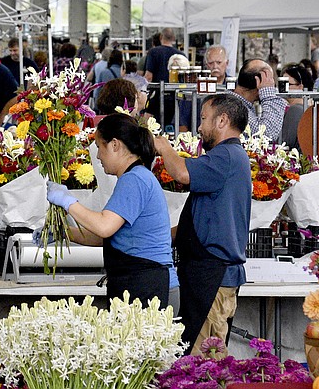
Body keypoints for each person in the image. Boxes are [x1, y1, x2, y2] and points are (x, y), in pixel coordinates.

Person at [154, 93, 251, 356]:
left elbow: (182, 173)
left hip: (214, 275)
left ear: (222, 120)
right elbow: (200, 220)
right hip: (204, 273)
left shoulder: (226, 156)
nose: (199, 127)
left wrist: (163, 147)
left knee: (204, 363)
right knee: (194, 357)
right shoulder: (225, 158)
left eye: (203, 119)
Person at [46, 113, 173, 305]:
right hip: (142, 283)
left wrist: (68, 202)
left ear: (115, 145)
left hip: (150, 286)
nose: (97, 156)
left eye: (99, 147)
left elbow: (104, 226)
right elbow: (107, 236)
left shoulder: (135, 179)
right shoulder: (134, 177)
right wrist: (64, 232)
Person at [231, 58, 287, 142]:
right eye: (270, 80)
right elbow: (266, 135)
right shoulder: (234, 106)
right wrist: (268, 93)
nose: (273, 85)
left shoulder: (239, 102)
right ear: (259, 83)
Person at [280, 64, 314, 150]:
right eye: (281, 83)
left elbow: (286, 143)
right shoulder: (309, 107)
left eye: (286, 84)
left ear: (300, 87)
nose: (282, 89)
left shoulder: (295, 110)